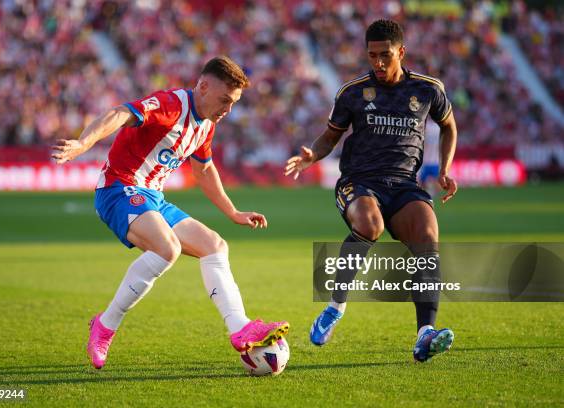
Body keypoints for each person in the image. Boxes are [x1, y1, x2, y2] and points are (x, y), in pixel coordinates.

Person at [53, 56, 289, 369]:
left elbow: (204, 171)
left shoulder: (205, 125)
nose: (227, 110)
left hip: (152, 198)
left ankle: (240, 327)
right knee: (167, 248)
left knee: (215, 246)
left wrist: (233, 212)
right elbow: (120, 113)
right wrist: (84, 143)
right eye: (224, 100)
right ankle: (105, 325)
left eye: (233, 103)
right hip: (118, 189)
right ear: (203, 87)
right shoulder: (171, 105)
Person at [285, 20, 457, 362]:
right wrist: (313, 155)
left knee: (427, 234)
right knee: (369, 225)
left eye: (385, 55)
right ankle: (335, 307)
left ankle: (425, 333)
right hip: (359, 182)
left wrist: (446, 169)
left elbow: (449, 126)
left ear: (401, 52)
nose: (377, 62)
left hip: (405, 185)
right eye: (372, 55)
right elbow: (330, 136)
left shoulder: (428, 89)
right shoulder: (352, 92)